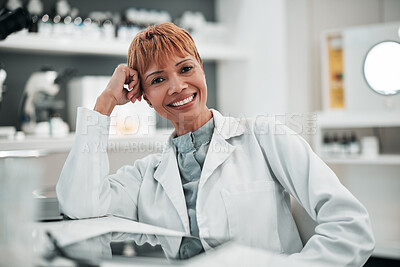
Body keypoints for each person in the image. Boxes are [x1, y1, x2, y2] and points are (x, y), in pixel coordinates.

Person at [56, 22, 375, 265]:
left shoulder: (264, 137)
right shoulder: (147, 176)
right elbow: (80, 206)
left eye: (185, 69)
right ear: (146, 99)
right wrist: (105, 103)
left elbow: (350, 225)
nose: (177, 86)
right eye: (158, 80)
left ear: (201, 70)